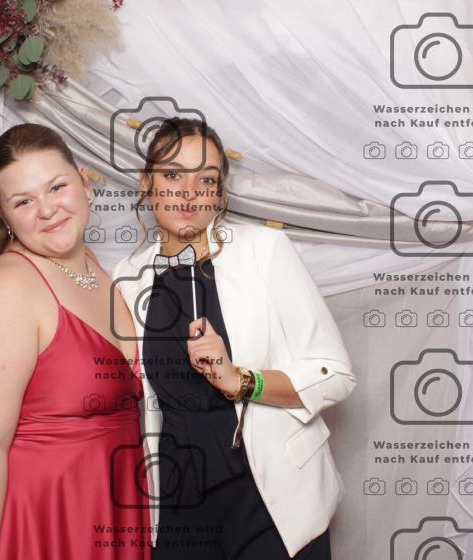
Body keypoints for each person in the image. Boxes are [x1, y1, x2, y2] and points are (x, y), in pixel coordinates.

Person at [112, 118, 356, 559]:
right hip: (179, 499)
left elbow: (335, 375)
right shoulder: (128, 278)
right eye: (173, 175)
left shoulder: (265, 251)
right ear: (147, 183)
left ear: (220, 193)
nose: (189, 193)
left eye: (206, 180)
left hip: (270, 500)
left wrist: (242, 380)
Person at [0, 123, 151, 560]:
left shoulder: (94, 266)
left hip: (104, 510)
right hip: (32, 523)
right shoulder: (6, 291)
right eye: (24, 201)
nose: (47, 210)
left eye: (56, 187)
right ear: (3, 214)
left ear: (84, 183)